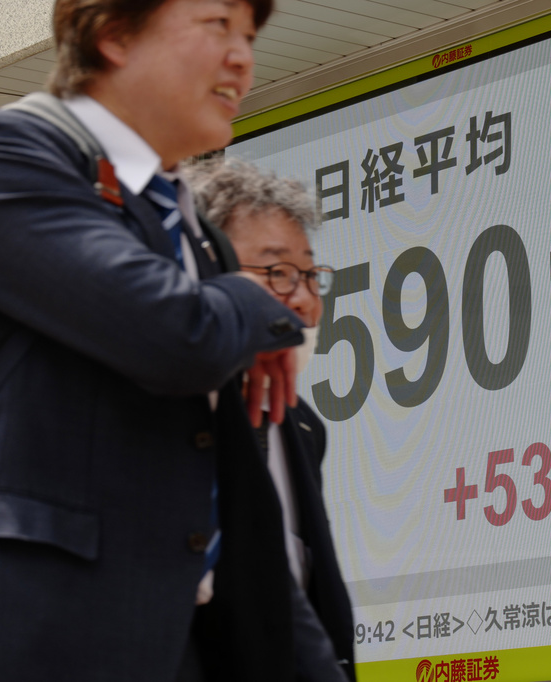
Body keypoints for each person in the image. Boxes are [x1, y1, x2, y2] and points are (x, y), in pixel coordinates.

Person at [0, 0, 317, 680]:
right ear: (113, 33)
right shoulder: (17, 154)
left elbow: (243, 517)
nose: (242, 56)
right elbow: (177, 337)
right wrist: (250, 299)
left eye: (250, 35)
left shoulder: (196, 231)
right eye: (217, 25)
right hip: (48, 642)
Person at [186, 158, 357, 682]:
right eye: (277, 273)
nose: (303, 300)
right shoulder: (166, 409)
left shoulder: (305, 428)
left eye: (310, 275)